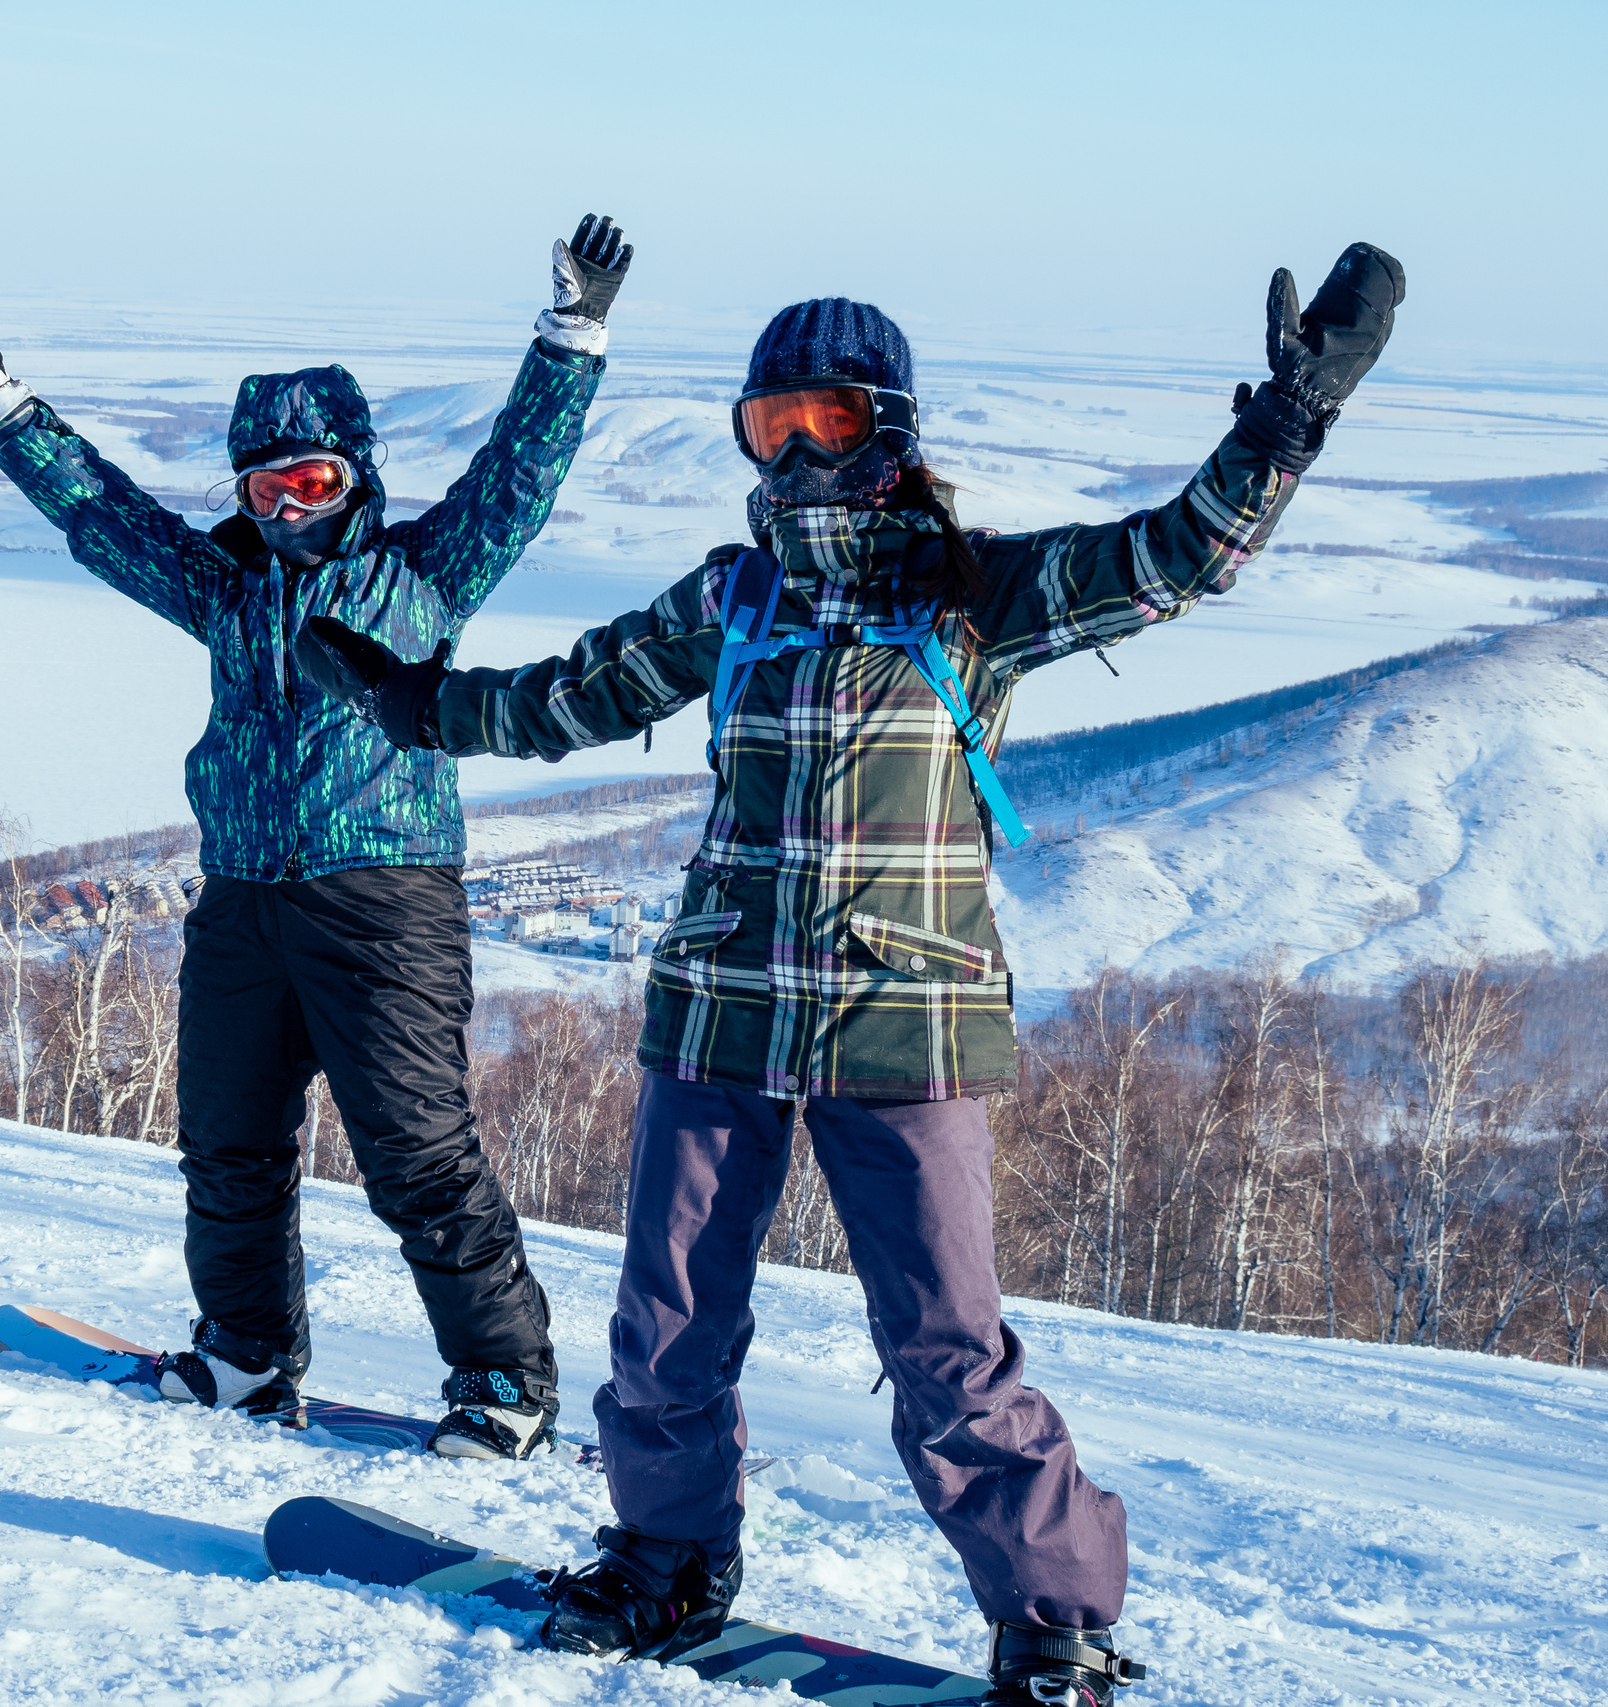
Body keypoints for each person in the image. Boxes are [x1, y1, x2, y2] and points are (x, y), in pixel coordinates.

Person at [297, 245, 1404, 1695]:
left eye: (827, 420)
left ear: (888, 427)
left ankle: (1055, 1618)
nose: (800, 453)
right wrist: (413, 700)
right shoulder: (733, 596)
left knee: (947, 1345)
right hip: (721, 1010)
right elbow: (572, 693)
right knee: (667, 1323)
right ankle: (667, 1553)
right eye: (772, 427)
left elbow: (1172, 555)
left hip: (908, 1021)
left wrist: (1286, 424)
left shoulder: (976, 595)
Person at [0, 214, 639, 1460]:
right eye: (266, 487)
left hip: (385, 903)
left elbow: (520, 470)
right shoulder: (223, 588)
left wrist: (572, 331)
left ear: (356, 476)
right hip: (243, 902)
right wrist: (4, 410)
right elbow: (103, 517)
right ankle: (247, 1356)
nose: (291, 504)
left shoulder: (425, 575)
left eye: (313, 481)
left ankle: (503, 1385)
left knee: (416, 1152)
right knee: (229, 1148)